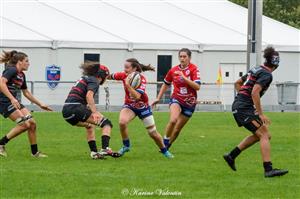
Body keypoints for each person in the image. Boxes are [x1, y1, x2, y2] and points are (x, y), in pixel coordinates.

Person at [223, 46, 288, 177]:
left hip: (242, 106)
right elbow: (255, 92)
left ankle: (231, 155)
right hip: (243, 108)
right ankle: (268, 170)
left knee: (264, 135)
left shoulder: (257, 68)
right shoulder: (266, 74)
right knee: (264, 135)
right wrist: (260, 113)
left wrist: (242, 98)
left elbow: (237, 83)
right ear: (276, 63)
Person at [109, 58, 173, 158]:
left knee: (153, 133)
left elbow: (137, 96)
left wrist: (128, 86)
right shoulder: (123, 75)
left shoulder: (141, 79)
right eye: (124, 67)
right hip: (129, 106)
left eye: (127, 67)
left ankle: (164, 151)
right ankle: (126, 146)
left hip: (143, 107)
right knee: (122, 122)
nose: (125, 69)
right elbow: (109, 76)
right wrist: (99, 75)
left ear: (134, 68)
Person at [0, 50, 52, 158]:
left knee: (32, 123)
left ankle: (34, 153)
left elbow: (26, 92)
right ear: (19, 62)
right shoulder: (12, 70)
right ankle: (1, 143)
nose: (29, 63)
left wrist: (40, 104)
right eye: (26, 61)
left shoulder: (21, 75)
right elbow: (1, 83)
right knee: (24, 124)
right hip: (4, 101)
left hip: (13, 101)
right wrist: (12, 99)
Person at [62, 61, 119, 159]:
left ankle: (94, 153)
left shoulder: (84, 78)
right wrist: (95, 112)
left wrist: (89, 108)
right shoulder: (94, 81)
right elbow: (89, 96)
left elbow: (80, 98)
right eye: (106, 77)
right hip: (76, 108)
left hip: (66, 111)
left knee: (90, 126)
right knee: (106, 123)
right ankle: (105, 148)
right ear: (102, 76)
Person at [151, 48, 201, 149]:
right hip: (176, 99)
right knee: (173, 120)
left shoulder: (194, 69)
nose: (182, 59)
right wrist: (158, 98)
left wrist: (184, 77)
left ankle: (167, 146)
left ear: (189, 58)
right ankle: (164, 142)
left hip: (190, 103)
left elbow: (197, 87)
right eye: (180, 56)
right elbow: (166, 84)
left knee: (177, 129)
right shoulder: (173, 70)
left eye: (184, 56)